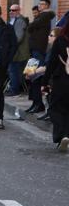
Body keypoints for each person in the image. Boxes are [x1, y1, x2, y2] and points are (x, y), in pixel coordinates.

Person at [42, 20, 69, 151]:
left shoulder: (60, 41)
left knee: (54, 109)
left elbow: (51, 64)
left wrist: (44, 82)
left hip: (61, 81)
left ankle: (60, 135)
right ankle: (66, 136)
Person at [7, 4, 30, 96]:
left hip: (19, 52)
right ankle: (15, 89)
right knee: (14, 71)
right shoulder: (14, 21)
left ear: (19, 11)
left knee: (13, 71)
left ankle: (14, 91)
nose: (11, 12)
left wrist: (9, 45)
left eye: (14, 10)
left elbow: (18, 38)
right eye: (10, 10)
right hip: (17, 52)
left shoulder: (20, 21)